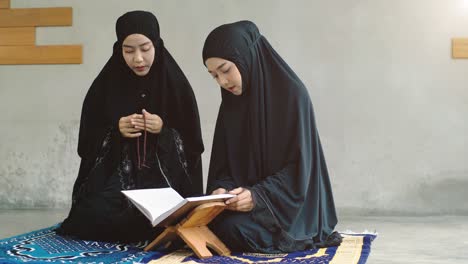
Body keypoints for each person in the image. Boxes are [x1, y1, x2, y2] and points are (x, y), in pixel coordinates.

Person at [56, 11, 204, 242]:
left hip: (164, 185)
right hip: (118, 184)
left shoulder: (175, 84)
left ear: (156, 45)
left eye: (145, 49)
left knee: (171, 219)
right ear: (119, 49)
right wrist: (116, 131)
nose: (138, 59)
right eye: (128, 50)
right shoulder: (106, 84)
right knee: (92, 217)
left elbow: (194, 145)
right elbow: (86, 143)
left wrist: (164, 131)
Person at [202, 20, 342, 253]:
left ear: (246, 57)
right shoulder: (231, 103)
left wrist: (256, 197)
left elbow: (299, 171)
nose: (223, 81)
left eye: (225, 70)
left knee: (234, 230)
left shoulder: (293, 95)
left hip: (290, 209)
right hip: (243, 205)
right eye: (214, 76)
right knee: (213, 223)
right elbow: (224, 163)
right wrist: (222, 190)